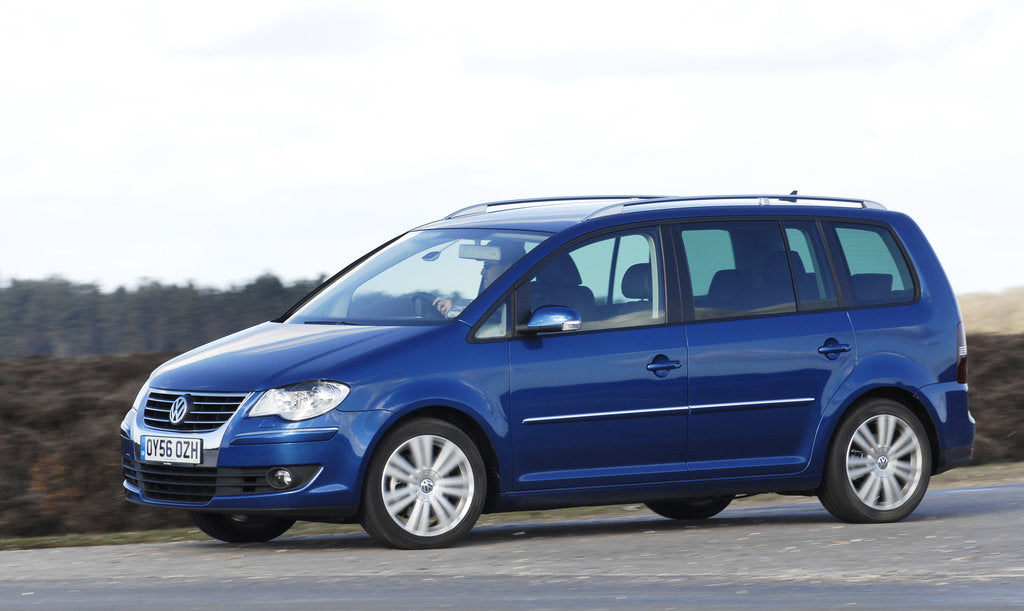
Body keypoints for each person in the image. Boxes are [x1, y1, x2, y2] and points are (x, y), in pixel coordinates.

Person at [433, 241, 523, 317]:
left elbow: (490, 320)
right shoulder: (494, 300)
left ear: (507, 268)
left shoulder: (519, 300)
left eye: (487, 266)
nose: (482, 272)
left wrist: (453, 314)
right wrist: (453, 310)